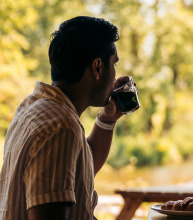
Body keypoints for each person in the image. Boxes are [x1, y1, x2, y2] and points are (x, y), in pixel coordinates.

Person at [0, 16, 132, 220]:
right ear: (97, 67)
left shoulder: (33, 107)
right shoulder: (61, 126)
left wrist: (108, 119)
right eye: (113, 64)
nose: (115, 76)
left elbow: (81, 172)